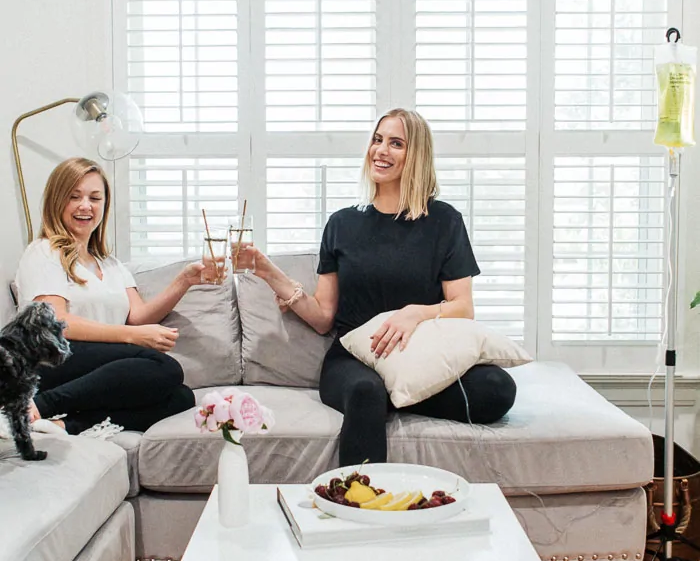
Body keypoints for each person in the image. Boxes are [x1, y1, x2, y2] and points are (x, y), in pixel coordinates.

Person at [241, 108, 517, 466]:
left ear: (416, 155)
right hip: (355, 360)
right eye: (377, 140)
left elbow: (462, 307)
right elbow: (324, 317)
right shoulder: (342, 224)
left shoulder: (445, 222)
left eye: (396, 143)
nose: (381, 150)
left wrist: (415, 314)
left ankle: (401, 391)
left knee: (497, 389)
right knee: (365, 392)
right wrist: (266, 270)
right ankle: (359, 503)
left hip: (420, 358)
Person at [15, 157, 213, 435]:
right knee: (163, 366)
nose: (86, 206)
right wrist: (131, 336)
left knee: (181, 396)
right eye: (74, 196)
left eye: (95, 198)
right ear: (56, 201)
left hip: (92, 370)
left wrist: (185, 281)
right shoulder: (44, 251)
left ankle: (66, 424)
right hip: (52, 361)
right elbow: (56, 320)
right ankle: (36, 406)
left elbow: (138, 317)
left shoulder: (109, 264)